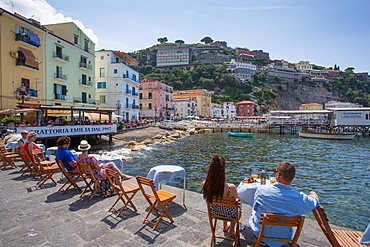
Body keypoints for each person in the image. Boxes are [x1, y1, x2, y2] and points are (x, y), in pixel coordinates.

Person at [249, 161, 320, 247]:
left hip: (261, 233)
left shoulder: (261, 190)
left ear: (278, 175)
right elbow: (315, 201)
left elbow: (255, 206)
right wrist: (313, 193)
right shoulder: (300, 199)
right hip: (284, 236)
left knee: (255, 212)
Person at [201, 154, 240, 236]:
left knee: (222, 203)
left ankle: (225, 225)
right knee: (235, 205)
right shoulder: (231, 187)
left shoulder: (205, 184)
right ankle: (232, 229)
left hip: (214, 212)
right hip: (229, 214)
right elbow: (237, 203)